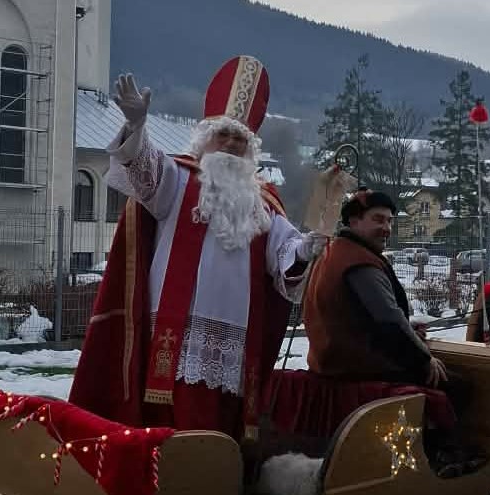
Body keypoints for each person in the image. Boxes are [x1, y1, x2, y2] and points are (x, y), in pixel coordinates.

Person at [69, 56, 351, 442]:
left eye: (240, 140)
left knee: (222, 425)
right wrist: (136, 124)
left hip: (235, 343)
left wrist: (307, 247)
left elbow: (285, 255)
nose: (232, 146)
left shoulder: (263, 201)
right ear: (205, 140)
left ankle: (214, 490)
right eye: (224, 136)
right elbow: (140, 167)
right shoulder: (177, 179)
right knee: (170, 424)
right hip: (176, 334)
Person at [300, 189, 482, 476]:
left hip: (332, 359)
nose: (385, 229)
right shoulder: (359, 262)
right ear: (354, 221)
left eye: (389, 221)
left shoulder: (333, 253)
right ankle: (442, 458)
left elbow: (361, 316)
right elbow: (388, 319)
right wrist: (424, 358)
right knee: (459, 385)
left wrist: (408, 329)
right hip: (358, 366)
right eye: (378, 220)